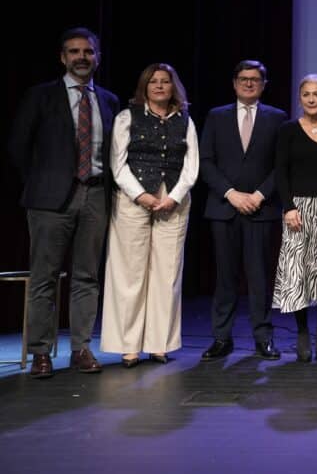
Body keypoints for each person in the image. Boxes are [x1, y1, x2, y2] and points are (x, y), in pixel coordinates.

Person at [9, 28, 121, 378]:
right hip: (50, 199)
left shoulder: (108, 100)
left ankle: (81, 348)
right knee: (44, 277)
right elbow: (18, 146)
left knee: (87, 276)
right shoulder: (40, 96)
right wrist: (44, 180)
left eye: (88, 51)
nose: (81, 57)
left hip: (96, 195)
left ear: (97, 57)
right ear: (63, 57)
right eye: (74, 52)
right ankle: (41, 352)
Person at [100, 63, 198, 366]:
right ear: (144, 87)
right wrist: (140, 194)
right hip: (133, 200)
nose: (159, 86)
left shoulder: (185, 120)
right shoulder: (127, 117)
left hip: (173, 200)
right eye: (153, 81)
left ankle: (160, 343)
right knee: (130, 272)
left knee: (167, 274)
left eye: (165, 82)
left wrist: (174, 196)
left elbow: (191, 164)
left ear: (173, 87)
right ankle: (129, 345)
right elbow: (118, 163)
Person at [199, 60, 288, 361]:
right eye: (243, 79)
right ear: (234, 83)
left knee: (259, 277)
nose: (249, 83)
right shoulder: (216, 116)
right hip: (225, 208)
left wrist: (260, 194)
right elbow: (206, 161)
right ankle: (222, 338)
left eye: (255, 79)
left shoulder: (278, 118)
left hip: (261, 210)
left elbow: (281, 165)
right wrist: (231, 193)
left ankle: (263, 338)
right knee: (225, 277)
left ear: (264, 84)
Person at [273, 74, 317, 362]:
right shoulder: (288, 130)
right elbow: (280, 171)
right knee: (298, 272)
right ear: (300, 98)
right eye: (306, 95)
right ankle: (302, 332)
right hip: (297, 210)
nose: (312, 99)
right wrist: (288, 206)